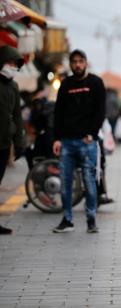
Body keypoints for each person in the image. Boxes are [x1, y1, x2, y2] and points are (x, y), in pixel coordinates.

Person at [52, 49, 106, 233]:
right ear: (70, 64)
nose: (77, 65)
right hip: (67, 142)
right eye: (74, 61)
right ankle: (67, 219)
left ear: (86, 63)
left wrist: (92, 133)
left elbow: (100, 111)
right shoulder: (66, 85)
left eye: (80, 61)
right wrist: (57, 138)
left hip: (87, 142)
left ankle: (91, 220)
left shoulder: (96, 83)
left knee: (89, 182)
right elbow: (58, 113)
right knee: (65, 184)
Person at [0, 45, 25, 235]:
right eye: (10, 62)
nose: (13, 67)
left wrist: (19, 143)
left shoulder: (14, 86)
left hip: (4, 143)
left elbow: (17, 116)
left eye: (15, 64)